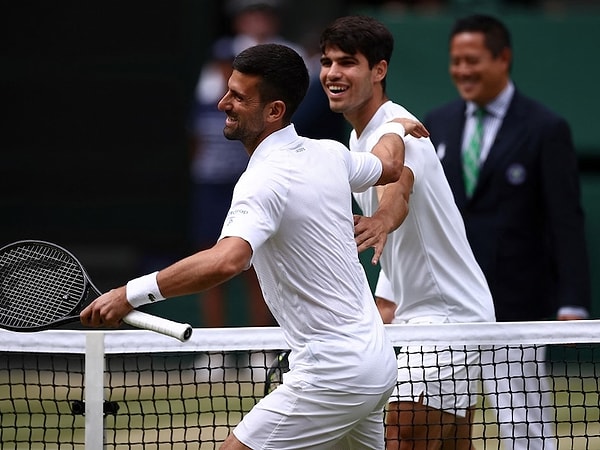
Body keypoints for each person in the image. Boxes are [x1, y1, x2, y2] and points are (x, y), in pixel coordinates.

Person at [81, 43, 429, 449]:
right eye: (228, 90)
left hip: (333, 373)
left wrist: (130, 294)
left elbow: (228, 260)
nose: (222, 103)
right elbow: (388, 165)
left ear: (274, 111)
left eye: (238, 97)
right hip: (376, 366)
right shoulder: (330, 154)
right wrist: (395, 126)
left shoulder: (263, 179)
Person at [318, 15, 496, 450]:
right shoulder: (358, 143)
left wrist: (381, 219)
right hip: (431, 318)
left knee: (398, 437)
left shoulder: (400, 131)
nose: (332, 74)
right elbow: (398, 264)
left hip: (448, 323)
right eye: (327, 62)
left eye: (348, 63)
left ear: (378, 70)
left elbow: (400, 188)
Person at [422, 14, 592, 450]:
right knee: (435, 425)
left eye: (472, 60)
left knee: (523, 428)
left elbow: (566, 222)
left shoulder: (545, 128)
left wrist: (571, 302)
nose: (462, 70)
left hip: (516, 308)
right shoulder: (434, 125)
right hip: (447, 308)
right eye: (456, 60)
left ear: (503, 58)